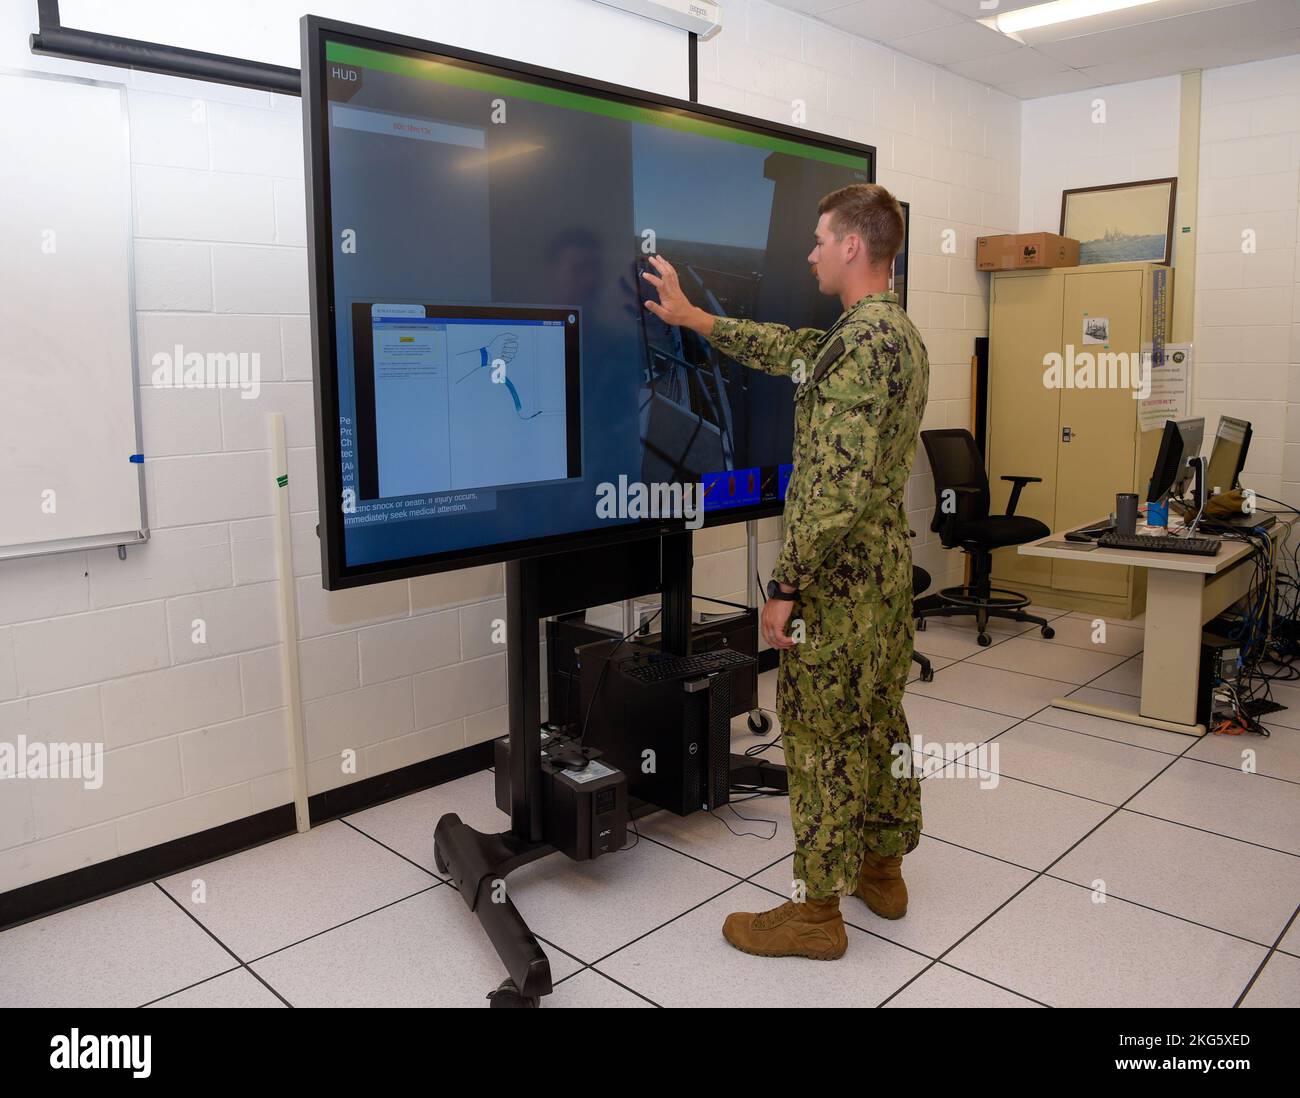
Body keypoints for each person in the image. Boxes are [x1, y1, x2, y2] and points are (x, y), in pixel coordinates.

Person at [641, 183, 929, 960]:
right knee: (878, 719)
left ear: (851, 247)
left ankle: (815, 913)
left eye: (818, 238)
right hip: (885, 582)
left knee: (821, 739)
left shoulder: (860, 344)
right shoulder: (891, 335)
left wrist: (786, 587)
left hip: (836, 588)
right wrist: (696, 318)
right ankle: (883, 865)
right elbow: (793, 352)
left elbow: (831, 490)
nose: (807, 252)